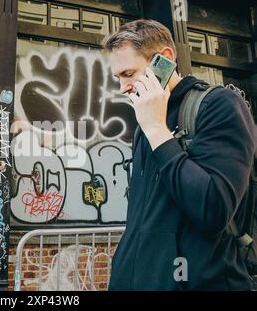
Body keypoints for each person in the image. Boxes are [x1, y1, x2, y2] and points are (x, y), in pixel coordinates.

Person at [103, 19, 256, 290]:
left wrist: (157, 131)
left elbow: (214, 209)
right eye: (118, 78)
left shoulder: (218, 105)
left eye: (128, 73)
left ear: (165, 59)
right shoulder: (145, 122)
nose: (122, 88)